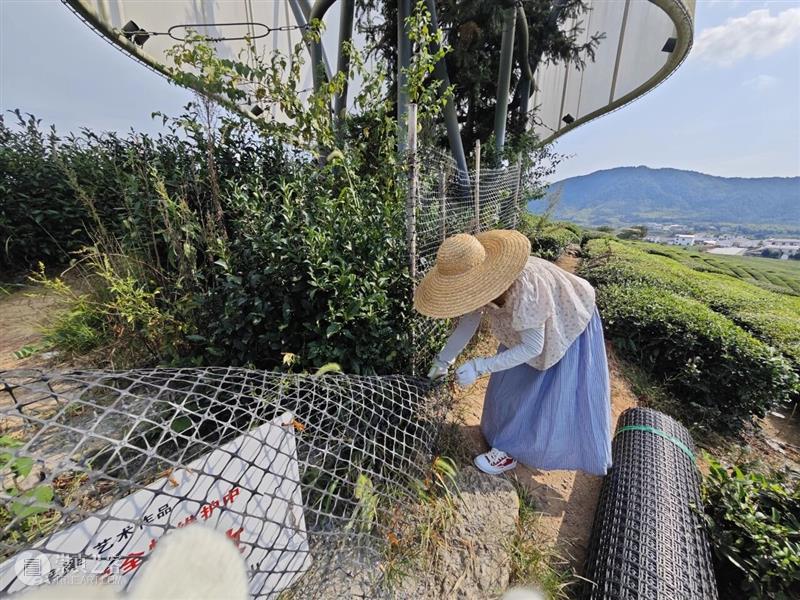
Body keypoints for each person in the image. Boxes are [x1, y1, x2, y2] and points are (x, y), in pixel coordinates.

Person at [414, 229, 612, 476]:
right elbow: (470, 320)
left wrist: (479, 366)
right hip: (530, 328)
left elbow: (533, 348)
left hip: (567, 318)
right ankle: (505, 437)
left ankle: (511, 452)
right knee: (509, 384)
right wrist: (443, 360)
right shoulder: (486, 284)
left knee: (541, 391)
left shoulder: (524, 291)